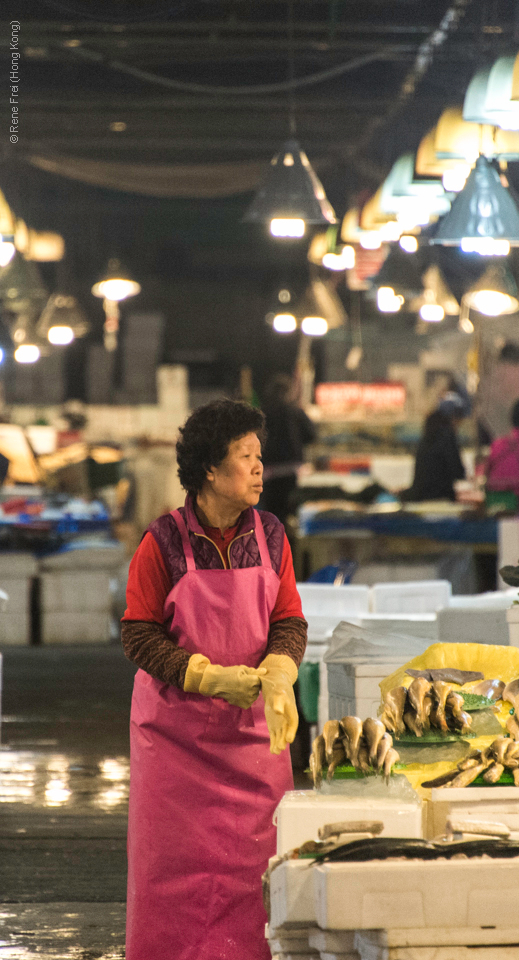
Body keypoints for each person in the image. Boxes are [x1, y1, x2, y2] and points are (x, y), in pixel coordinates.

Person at [121, 398, 308, 960]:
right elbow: (137, 633)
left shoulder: (272, 535)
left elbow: (289, 618)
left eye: (259, 456)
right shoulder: (162, 541)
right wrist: (202, 676)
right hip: (175, 744)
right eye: (245, 456)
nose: (258, 468)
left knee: (255, 872)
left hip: (253, 739)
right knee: (171, 875)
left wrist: (279, 667)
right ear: (209, 469)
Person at [259, 373, 316, 526]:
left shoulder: (263, 413)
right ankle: (289, 545)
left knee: (271, 515)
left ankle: (271, 546)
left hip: (269, 473)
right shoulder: (296, 412)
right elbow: (311, 435)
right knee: (291, 515)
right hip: (292, 471)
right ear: (289, 392)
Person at [402, 392, 469, 501]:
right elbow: (458, 471)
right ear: (453, 418)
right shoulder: (447, 436)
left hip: (420, 496)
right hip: (440, 499)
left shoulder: (428, 434)